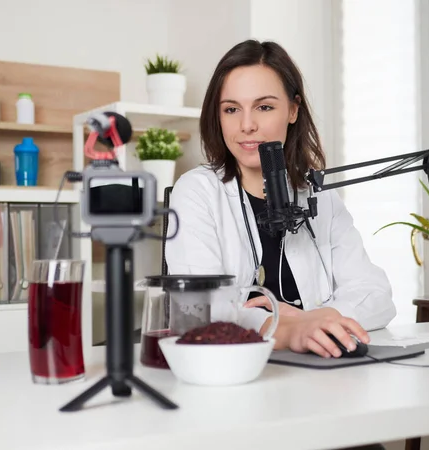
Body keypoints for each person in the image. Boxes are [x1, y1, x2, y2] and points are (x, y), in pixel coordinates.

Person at [165, 39, 396, 359]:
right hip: (237, 367)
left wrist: (309, 321)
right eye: (232, 109)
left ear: (293, 109)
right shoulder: (196, 192)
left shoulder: (318, 194)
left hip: (323, 369)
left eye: (264, 107)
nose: (247, 125)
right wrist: (282, 328)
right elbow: (200, 309)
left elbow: (377, 295)